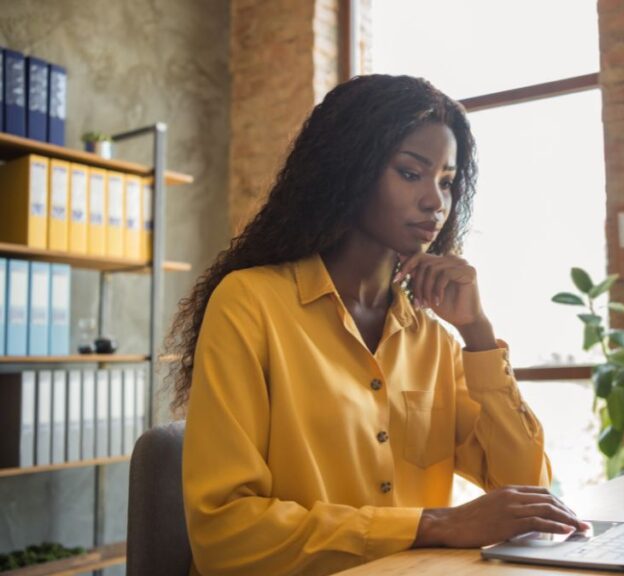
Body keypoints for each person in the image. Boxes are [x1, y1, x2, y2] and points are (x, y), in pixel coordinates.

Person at [168, 75, 588, 575]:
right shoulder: (249, 304)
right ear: (349, 168)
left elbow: (527, 491)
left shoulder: (434, 340)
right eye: (411, 173)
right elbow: (225, 534)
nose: (435, 201)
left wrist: (477, 333)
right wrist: (434, 524)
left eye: (447, 182)